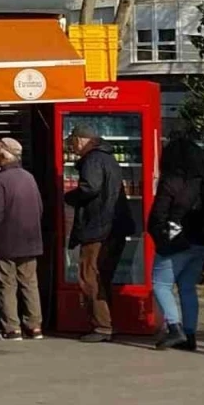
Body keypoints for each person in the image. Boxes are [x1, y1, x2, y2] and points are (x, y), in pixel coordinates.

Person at [65, 124, 135, 343]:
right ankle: (107, 322)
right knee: (103, 276)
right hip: (115, 227)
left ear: (80, 140)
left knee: (89, 276)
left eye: (72, 142)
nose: (72, 146)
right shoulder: (108, 158)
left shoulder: (93, 159)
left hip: (98, 228)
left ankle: (102, 326)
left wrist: (70, 197)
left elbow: (91, 187)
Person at [149, 137, 204, 351]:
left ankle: (174, 328)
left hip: (176, 241)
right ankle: (190, 334)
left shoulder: (171, 182)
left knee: (161, 284)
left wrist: (160, 235)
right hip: (200, 242)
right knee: (187, 288)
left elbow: (159, 214)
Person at [0, 138, 44, 341]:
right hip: (31, 241)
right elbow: (40, 208)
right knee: (30, 283)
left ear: (4, 155)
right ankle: (34, 326)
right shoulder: (29, 177)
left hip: (6, 241)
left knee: (6, 285)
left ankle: (12, 328)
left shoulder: (0, 181)